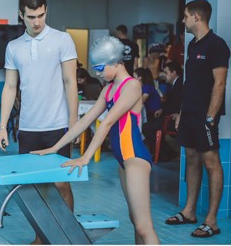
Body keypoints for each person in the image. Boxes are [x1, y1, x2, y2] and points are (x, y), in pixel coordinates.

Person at [32, 36, 160, 244]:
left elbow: (108, 123)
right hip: (123, 159)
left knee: (144, 226)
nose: (98, 73)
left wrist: (85, 157)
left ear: (115, 62)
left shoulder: (132, 86)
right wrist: (55, 147)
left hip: (135, 157)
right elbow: (86, 121)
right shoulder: (109, 89)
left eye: (100, 68)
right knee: (135, 220)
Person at [0, 0, 78, 244]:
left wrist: (73, 124)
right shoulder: (13, 47)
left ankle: (65, 234)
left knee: (61, 184)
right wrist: (1, 127)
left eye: (41, 15)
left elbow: (70, 82)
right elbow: (10, 87)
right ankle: (41, 237)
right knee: (33, 187)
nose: (37, 22)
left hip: (58, 125)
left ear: (46, 12)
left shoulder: (62, 40)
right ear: (21, 15)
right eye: (31, 17)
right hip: (28, 128)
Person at [165, 0, 230, 238]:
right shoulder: (193, 45)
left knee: (211, 163)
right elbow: (190, 83)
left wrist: (210, 118)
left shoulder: (217, 45)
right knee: (191, 158)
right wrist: (182, 111)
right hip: (190, 112)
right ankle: (189, 211)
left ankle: (211, 221)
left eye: (184, 16)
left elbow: (220, 83)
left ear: (196, 17)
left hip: (205, 116)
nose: (182, 21)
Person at [142, 62, 182, 160]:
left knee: (147, 127)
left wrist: (163, 110)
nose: (163, 74)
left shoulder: (179, 85)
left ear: (174, 73)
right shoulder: (177, 84)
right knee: (151, 125)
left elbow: (175, 105)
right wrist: (161, 109)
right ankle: (166, 153)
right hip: (170, 116)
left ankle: (161, 154)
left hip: (174, 119)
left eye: (166, 72)